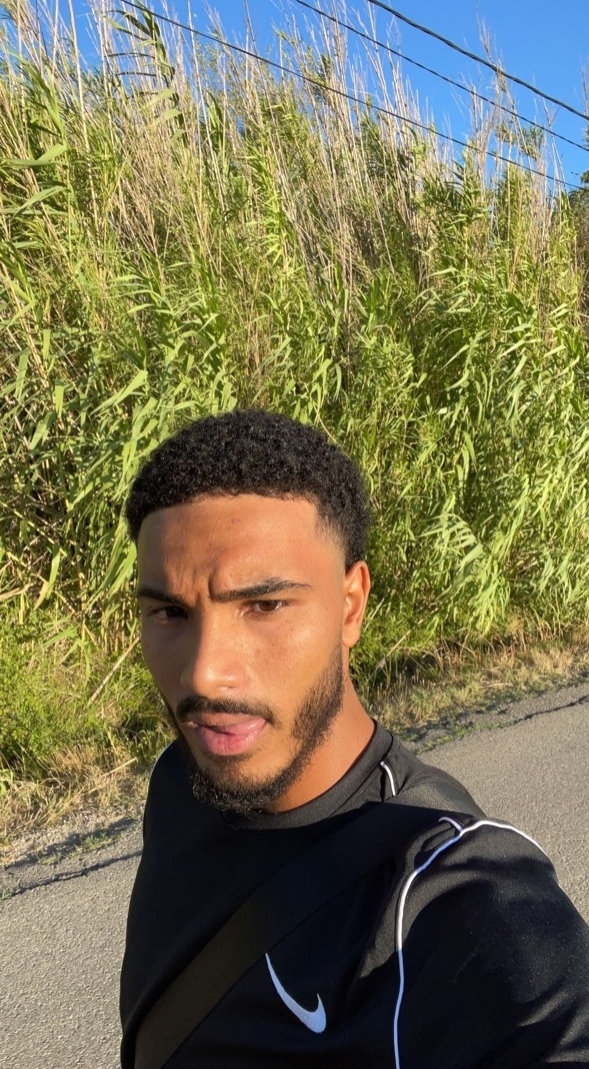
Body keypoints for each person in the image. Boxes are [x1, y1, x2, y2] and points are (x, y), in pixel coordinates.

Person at [120, 409, 589, 1069]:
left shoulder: (444, 895)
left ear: (350, 606)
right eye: (169, 612)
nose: (203, 675)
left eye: (263, 606)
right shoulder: (181, 778)